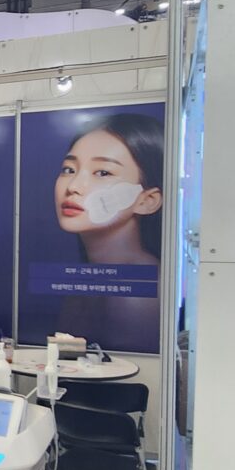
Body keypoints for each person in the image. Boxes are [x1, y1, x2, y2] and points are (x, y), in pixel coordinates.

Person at [52, 113, 164, 351]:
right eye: (68, 169)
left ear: (147, 200)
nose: (73, 187)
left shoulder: (137, 294)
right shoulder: (86, 281)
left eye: (103, 173)